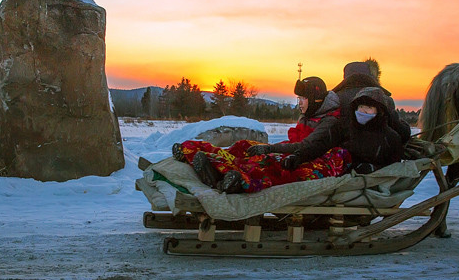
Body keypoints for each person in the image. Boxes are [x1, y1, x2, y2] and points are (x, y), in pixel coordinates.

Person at [170, 76, 350, 194]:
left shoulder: (330, 122)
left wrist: (269, 148)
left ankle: (230, 178)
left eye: (303, 98)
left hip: (310, 157)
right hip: (300, 152)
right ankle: (200, 155)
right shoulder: (312, 114)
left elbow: (307, 147)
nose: (299, 103)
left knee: (268, 161)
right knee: (245, 146)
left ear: (315, 99)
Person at [276, 86, 405, 175]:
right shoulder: (344, 127)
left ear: (379, 110)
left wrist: (373, 168)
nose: (363, 111)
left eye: (369, 107)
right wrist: (298, 156)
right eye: (360, 106)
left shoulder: (390, 137)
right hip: (338, 173)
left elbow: (394, 167)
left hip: (367, 183)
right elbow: (320, 144)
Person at [332, 61, 411, 147]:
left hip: (340, 155)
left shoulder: (333, 99)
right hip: (378, 155)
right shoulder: (384, 99)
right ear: (371, 76)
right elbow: (403, 133)